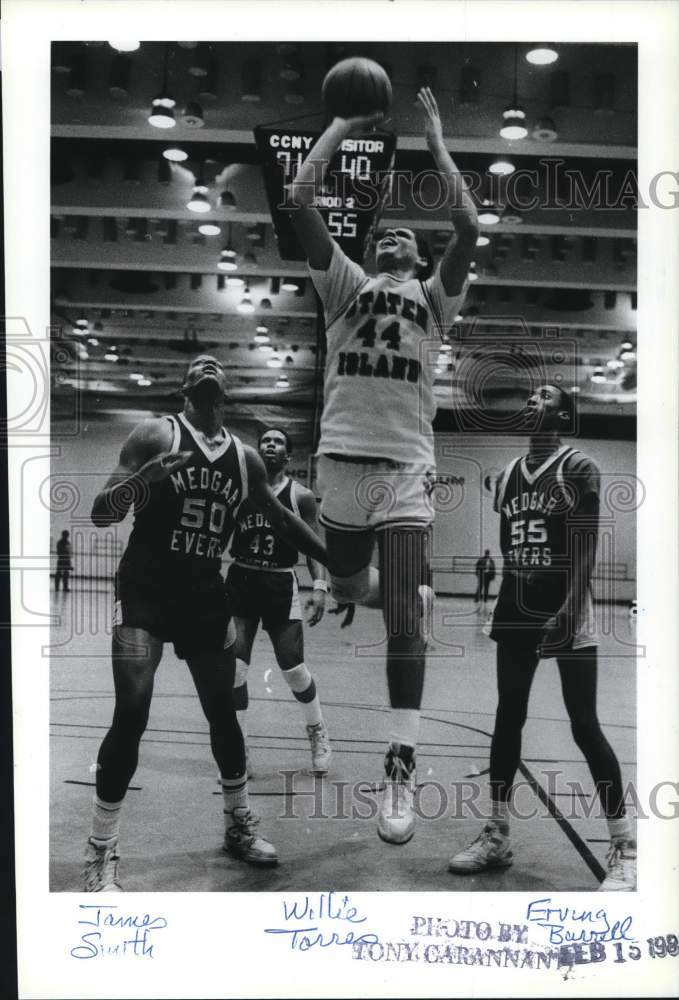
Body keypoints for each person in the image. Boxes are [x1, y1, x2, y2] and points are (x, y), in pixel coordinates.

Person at [287, 88, 477, 844]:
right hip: (339, 466)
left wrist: (434, 142)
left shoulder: (433, 300)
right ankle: (388, 594)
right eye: (381, 234)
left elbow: (467, 223)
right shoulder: (343, 288)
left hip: (403, 469)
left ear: (418, 258)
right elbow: (300, 196)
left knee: (401, 614)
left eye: (403, 233)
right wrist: (338, 124)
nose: (390, 235)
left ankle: (398, 764)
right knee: (346, 584)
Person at [84, 355, 327, 891]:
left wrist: (336, 564)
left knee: (223, 714)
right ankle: (102, 851)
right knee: (132, 713)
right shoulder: (156, 433)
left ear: (228, 390)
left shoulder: (245, 459)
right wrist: (141, 482)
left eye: (218, 365)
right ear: (186, 387)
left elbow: (284, 520)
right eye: (200, 364)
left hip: (203, 595)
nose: (210, 365)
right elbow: (102, 512)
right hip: (145, 589)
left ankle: (238, 824)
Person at [448, 385, 636, 891]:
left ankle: (624, 846)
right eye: (531, 395)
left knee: (583, 724)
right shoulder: (508, 475)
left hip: (566, 604)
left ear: (564, 414)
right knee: (508, 716)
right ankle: (497, 834)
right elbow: (513, 544)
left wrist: (570, 610)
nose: (533, 400)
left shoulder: (578, 467)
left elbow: (584, 545)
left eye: (545, 396)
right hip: (516, 604)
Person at [227, 427, 331, 774]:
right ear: (257, 453)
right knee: (234, 669)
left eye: (278, 442)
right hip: (241, 579)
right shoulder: (239, 490)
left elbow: (311, 542)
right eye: (265, 441)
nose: (270, 445)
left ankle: (316, 728)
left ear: (288, 457)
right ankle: (237, 743)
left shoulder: (300, 496)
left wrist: (320, 585)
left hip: (279, 581)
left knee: (293, 668)